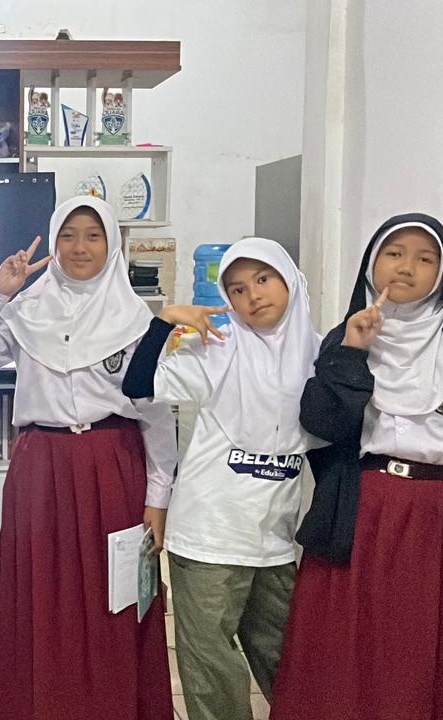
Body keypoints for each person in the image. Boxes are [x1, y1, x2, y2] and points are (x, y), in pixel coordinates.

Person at [0, 196, 176, 719]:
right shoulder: (26, 310)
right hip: (41, 470)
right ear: (54, 243)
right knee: (40, 595)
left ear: (112, 244)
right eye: (68, 235)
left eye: (93, 235)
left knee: (115, 596)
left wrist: (159, 497)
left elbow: (156, 415)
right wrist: (0, 295)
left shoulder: (136, 320)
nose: (80, 247)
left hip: (113, 463)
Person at [270, 215, 443, 720]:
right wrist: (353, 352)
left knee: (409, 649)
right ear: (373, 263)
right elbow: (322, 425)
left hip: (433, 512)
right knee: (342, 648)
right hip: (360, 506)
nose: (407, 267)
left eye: (425, 258)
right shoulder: (346, 337)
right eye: (394, 253)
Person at [122, 238, 323, 720]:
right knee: (213, 674)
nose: (253, 295)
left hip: (274, 540)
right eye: (237, 289)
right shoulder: (217, 347)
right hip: (209, 539)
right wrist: (163, 321)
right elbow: (137, 386)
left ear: (290, 279)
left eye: (263, 279)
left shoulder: (320, 355)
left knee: (292, 665)